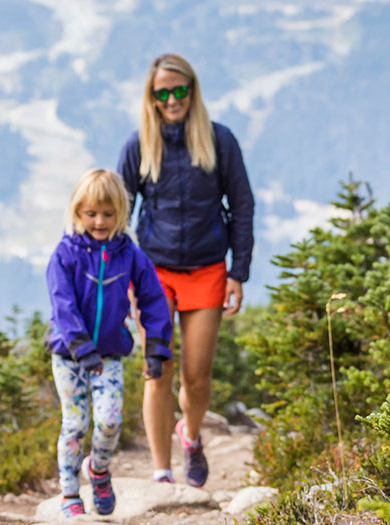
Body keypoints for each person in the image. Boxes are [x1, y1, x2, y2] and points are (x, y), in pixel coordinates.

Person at [117, 53, 255, 488]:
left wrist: (239, 272)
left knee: (197, 377)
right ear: (152, 97)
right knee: (157, 369)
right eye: (163, 93)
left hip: (209, 269)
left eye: (180, 90)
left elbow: (242, 206)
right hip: (154, 274)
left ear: (192, 91)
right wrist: (122, 281)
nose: (172, 99)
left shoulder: (219, 140)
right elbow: (118, 213)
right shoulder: (139, 144)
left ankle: (190, 435)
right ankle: (161, 472)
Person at [46, 169, 174, 518]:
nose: (99, 221)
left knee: (110, 421)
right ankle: (70, 494)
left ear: (121, 213)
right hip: (69, 355)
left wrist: (157, 348)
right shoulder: (65, 254)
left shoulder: (129, 254)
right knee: (74, 425)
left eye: (108, 213)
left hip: (110, 354)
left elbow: (153, 298)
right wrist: (81, 348)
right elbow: (62, 305)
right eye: (91, 213)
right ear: (77, 212)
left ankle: (98, 471)